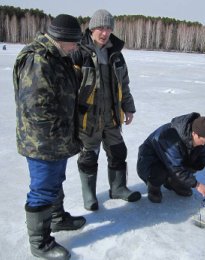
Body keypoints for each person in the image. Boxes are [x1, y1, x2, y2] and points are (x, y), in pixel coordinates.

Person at [13, 14, 86, 259]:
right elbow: (35, 108)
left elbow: (58, 95)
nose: (76, 46)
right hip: (42, 142)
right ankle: (40, 243)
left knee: (56, 181)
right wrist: (60, 133)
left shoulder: (58, 55)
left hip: (58, 138)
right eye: (74, 41)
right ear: (61, 38)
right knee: (43, 188)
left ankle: (56, 218)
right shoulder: (38, 59)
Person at [71, 9, 141, 211]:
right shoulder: (79, 52)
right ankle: (89, 196)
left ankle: (118, 188)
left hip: (111, 116)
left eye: (109, 28)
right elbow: (69, 88)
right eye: (101, 28)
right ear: (92, 28)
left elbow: (124, 84)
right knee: (88, 156)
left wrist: (128, 108)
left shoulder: (116, 55)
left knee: (118, 152)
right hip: (87, 118)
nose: (105, 33)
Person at [137, 112, 205, 203]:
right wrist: (197, 185)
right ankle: (153, 187)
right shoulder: (169, 136)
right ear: (194, 134)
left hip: (173, 163)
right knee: (160, 172)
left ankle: (172, 182)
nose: (204, 143)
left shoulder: (202, 139)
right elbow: (176, 168)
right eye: (203, 141)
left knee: (197, 160)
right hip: (150, 162)